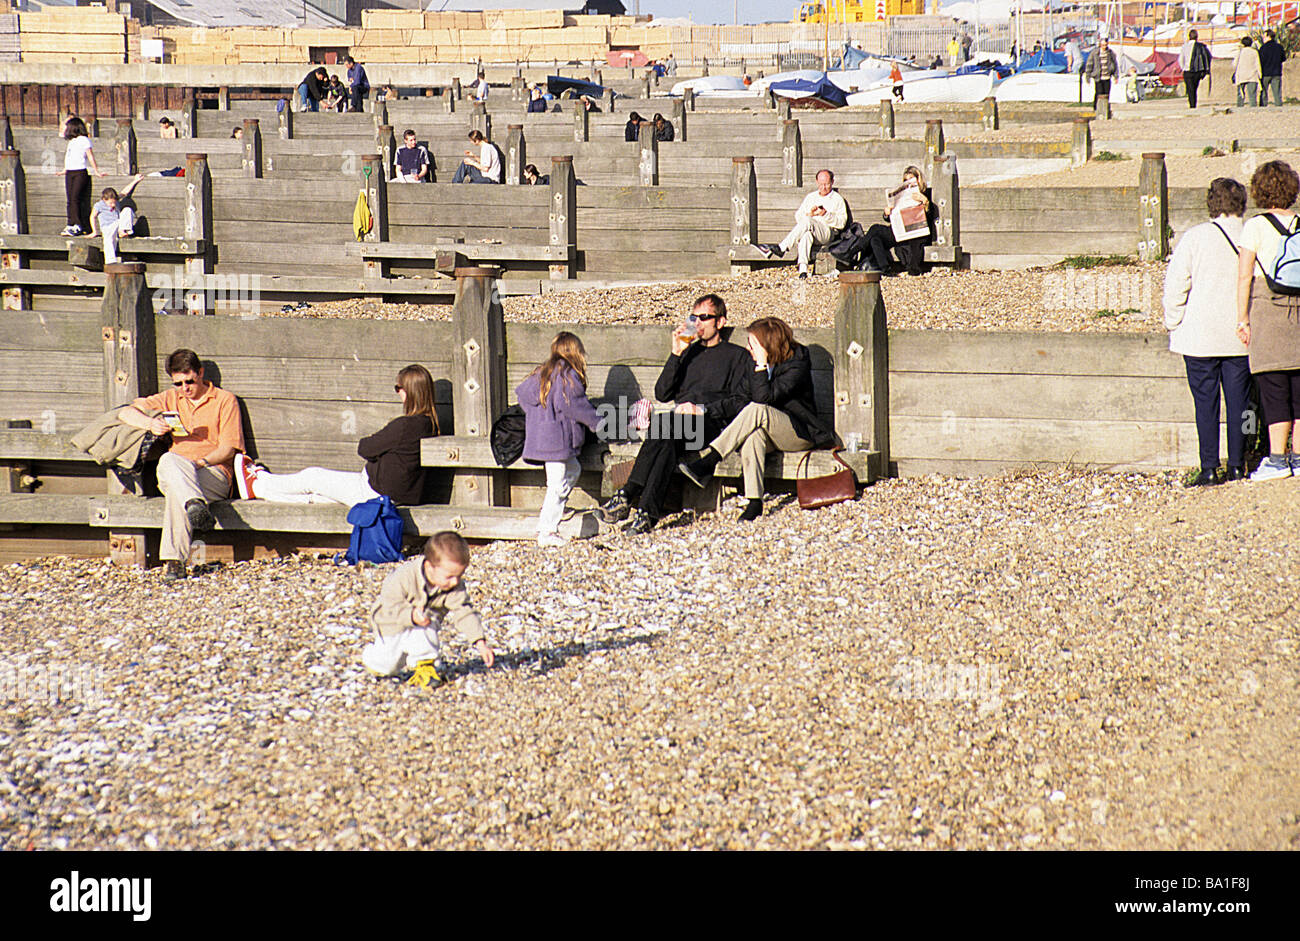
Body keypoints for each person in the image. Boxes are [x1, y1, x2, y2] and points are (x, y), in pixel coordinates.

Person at [597, 294, 752, 535]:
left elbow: (739, 402)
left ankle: (627, 493)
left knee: (662, 423)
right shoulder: (687, 353)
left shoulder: (737, 355)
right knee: (665, 441)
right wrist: (676, 353)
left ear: (720, 322)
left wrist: (700, 409)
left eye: (704, 318)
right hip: (676, 427)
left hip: (710, 424)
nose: (697, 323)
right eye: (693, 318)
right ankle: (646, 513)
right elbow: (662, 393)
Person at [679, 316, 835, 521]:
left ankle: (710, 459)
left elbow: (765, 398)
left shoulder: (797, 361)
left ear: (767, 345)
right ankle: (754, 502)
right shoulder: (753, 365)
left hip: (799, 432)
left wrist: (762, 365)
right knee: (753, 436)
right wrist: (703, 410)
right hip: (769, 431)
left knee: (757, 409)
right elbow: (738, 400)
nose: (748, 348)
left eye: (753, 344)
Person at [116, 348, 245, 582]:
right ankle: (194, 505)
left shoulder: (225, 400)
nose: (185, 388)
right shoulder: (170, 398)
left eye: (190, 381)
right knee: (169, 461)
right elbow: (125, 413)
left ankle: (174, 562)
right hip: (175, 469)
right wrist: (149, 424)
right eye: (178, 383)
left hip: (211, 472)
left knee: (178, 489)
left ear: (201, 373)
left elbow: (228, 449)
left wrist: (200, 462)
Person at [235, 365, 438, 508]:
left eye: (398, 388)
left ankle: (258, 481)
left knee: (312, 476)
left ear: (410, 392)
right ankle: (262, 489)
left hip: (372, 493)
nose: (397, 393)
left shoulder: (405, 426)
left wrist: (377, 444)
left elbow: (365, 448)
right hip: (397, 495)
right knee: (316, 496)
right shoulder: (431, 425)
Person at [1163, 178, 1251, 486]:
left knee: (1206, 403)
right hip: (1241, 336)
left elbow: (1176, 285)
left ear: (1211, 203)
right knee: (1242, 404)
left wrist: (1173, 322)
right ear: (1242, 202)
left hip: (1199, 336)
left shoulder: (1195, 236)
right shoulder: (1252, 234)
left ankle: (1209, 467)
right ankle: (1240, 464)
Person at [1235, 161, 1300, 480]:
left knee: (1274, 386)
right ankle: (1299, 458)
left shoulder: (1255, 226)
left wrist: (1242, 318)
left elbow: (1245, 274)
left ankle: (1277, 460)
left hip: (1268, 308)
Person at [362, 532, 495, 687]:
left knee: (426, 622)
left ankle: (425, 667)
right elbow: (388, 606)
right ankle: (371, 657)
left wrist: (480, 642)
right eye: (449, 576)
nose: (455, 581)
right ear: (429, 567)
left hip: (424, 623)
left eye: (460, 575)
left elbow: (464, 612)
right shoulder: (403, 577)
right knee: (387, 665)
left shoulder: (454, 586)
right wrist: (410, 615)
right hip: (391, 623)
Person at [516, 333, 604, 547]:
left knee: (572, 470)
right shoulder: (567, 375)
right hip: (557, 441)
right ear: (576, 352)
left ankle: (553, 509)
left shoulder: (541, 372)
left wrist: (541, 419)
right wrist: (599, 423)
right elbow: (575, 406)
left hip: (542, 438)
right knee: (556, 485)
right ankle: (547, 532)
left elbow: (522, 396)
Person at [755, 168, 849, 279]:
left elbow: (841, 223)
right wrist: (810, 214)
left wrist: (825, 214)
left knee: (807, 222)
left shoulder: (837, 199)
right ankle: (803, 269)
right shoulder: (811, 197)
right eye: (821, 184)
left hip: (828, 232)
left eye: (827, 184)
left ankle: (782, 247)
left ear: (832, 182)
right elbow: (798, 216)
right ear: (816, 182)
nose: (823, 187)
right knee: (806, 235)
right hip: (812, 230)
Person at [859, 165, 933, 276]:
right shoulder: (902, 196)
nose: (909, 182)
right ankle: (886, 270)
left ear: (918, 180)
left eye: (911, 180)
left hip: (916, 233)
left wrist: (926, 203)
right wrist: (887, 213)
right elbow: (891, 220)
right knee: (875, 237)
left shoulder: (926, 194)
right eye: (906, 180)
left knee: (875, 231)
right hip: (900, 231)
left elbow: (930, 218)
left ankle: (855, 253)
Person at [58, 116, 102, 237]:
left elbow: (90, 156)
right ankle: (71, 223)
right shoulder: (72, 141)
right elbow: (69, 157)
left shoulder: (84, 140)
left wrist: (96, 170)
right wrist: (64, 170)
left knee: (75, 198)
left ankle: (77, 224)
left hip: (80, 172)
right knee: (70, 199)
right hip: (70, 172)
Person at [89, 175, 143, 265]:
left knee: (127, 210)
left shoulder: (116, 201)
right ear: (104, 199)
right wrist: (94, 231)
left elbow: (125, 192)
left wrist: (135, 180)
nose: (113, 205)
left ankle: (123, 230)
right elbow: (92, 217)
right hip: (107, 227)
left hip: (118, 225)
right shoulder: (99, 205)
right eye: (110, 203)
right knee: (108, 239)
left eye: (114, 202)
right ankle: (110, 261)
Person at [1179, 28, 1212, 109]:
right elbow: (1208, 57)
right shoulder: (1201, 47)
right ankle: (1194, 103)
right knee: (1195, 87)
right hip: (1197, 70)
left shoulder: (1184, 46)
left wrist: (1183, 68)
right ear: (1197, 37)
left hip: (1187, 71)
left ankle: (1192, 104)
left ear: (1189, 37)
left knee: (1190, 89)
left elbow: (1180, 59)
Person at [1085, 37, 1118, 110]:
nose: (1104, 46)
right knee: (1099, 92)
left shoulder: (1110, 53)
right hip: (1098, 77)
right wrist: (1088, 76)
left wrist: (1116, 76)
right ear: (1100, 45)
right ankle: (1096, 107)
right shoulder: (1095, 53)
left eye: (1105, 45)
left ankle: (1105, 108)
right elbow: (1089, 64)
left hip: (1107, 76)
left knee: (1106, 93)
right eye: (1103, 45)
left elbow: (1115, 64)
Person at [1258, 29, 1286, 107]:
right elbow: (1283, 58)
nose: (1263, 38)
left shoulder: (1263, 48)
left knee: (1263, 92)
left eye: (1264, 36)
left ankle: (1263, 106)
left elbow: (1260, 60)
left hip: (1265, 73)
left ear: (1268, 36)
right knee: (1277, 92)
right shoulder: (1279, 47)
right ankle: (1278, 106)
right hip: (1276, 72)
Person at [1232, 36, 1261, 108]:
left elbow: (1234, 64)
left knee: (1240, 94)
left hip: (1241, 75)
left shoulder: (1240, 52)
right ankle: (1253, 108)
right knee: (1252, 95)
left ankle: (1240, 107)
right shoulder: (1255, 52)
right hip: (1252, 75)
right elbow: (1258, 64)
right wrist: (1260, 75)